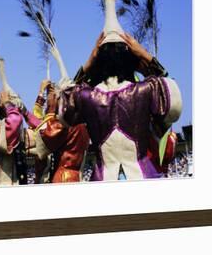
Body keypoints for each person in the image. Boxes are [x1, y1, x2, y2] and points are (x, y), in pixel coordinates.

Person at [57, 31, 182, 181]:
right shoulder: (146, 89)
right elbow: (173, 100)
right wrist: (146, 56)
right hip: (143, 177)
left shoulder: (87, 96)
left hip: (103, 179)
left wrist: (88, 64)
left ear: (99, 62)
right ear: (132, 61)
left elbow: (64, 108)